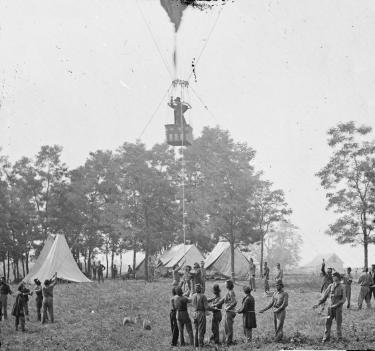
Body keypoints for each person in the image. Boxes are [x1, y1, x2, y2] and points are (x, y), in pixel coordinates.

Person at [313, 272, 346, 343]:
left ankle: (339, 339)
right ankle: (325, 339)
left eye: (334, 276)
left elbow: (343, 299)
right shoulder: (331, 286)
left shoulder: (342, 286)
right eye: (332, 276)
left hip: (338, 309)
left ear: (337, 277)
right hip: (330, 309)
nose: (333, 277)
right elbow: (324, 297)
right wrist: (317, 304)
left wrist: (336, 305)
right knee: (327, 323)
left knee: (338, 324)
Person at [219, 280, 237, 346]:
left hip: (230, 312)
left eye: (226, 284)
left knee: (228, 328)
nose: (225, 285)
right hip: (228, 312)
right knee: (227, 327)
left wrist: (228, 308)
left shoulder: (231, 292)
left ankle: (229, 342)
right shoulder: (229, 292)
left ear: (228, 285)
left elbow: (234, 302)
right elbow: (223, 299)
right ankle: (229, 340)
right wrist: (215, 303)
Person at [191, 284, 209, 350]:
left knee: (196, 330)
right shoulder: (203, 296)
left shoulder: (193, 296)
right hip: (201, 313)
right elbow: (206, 307)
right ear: (200, 289)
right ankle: (201, 345)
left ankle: (196, 345)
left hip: (194, 313)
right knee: (201, 330)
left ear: (196, 289)